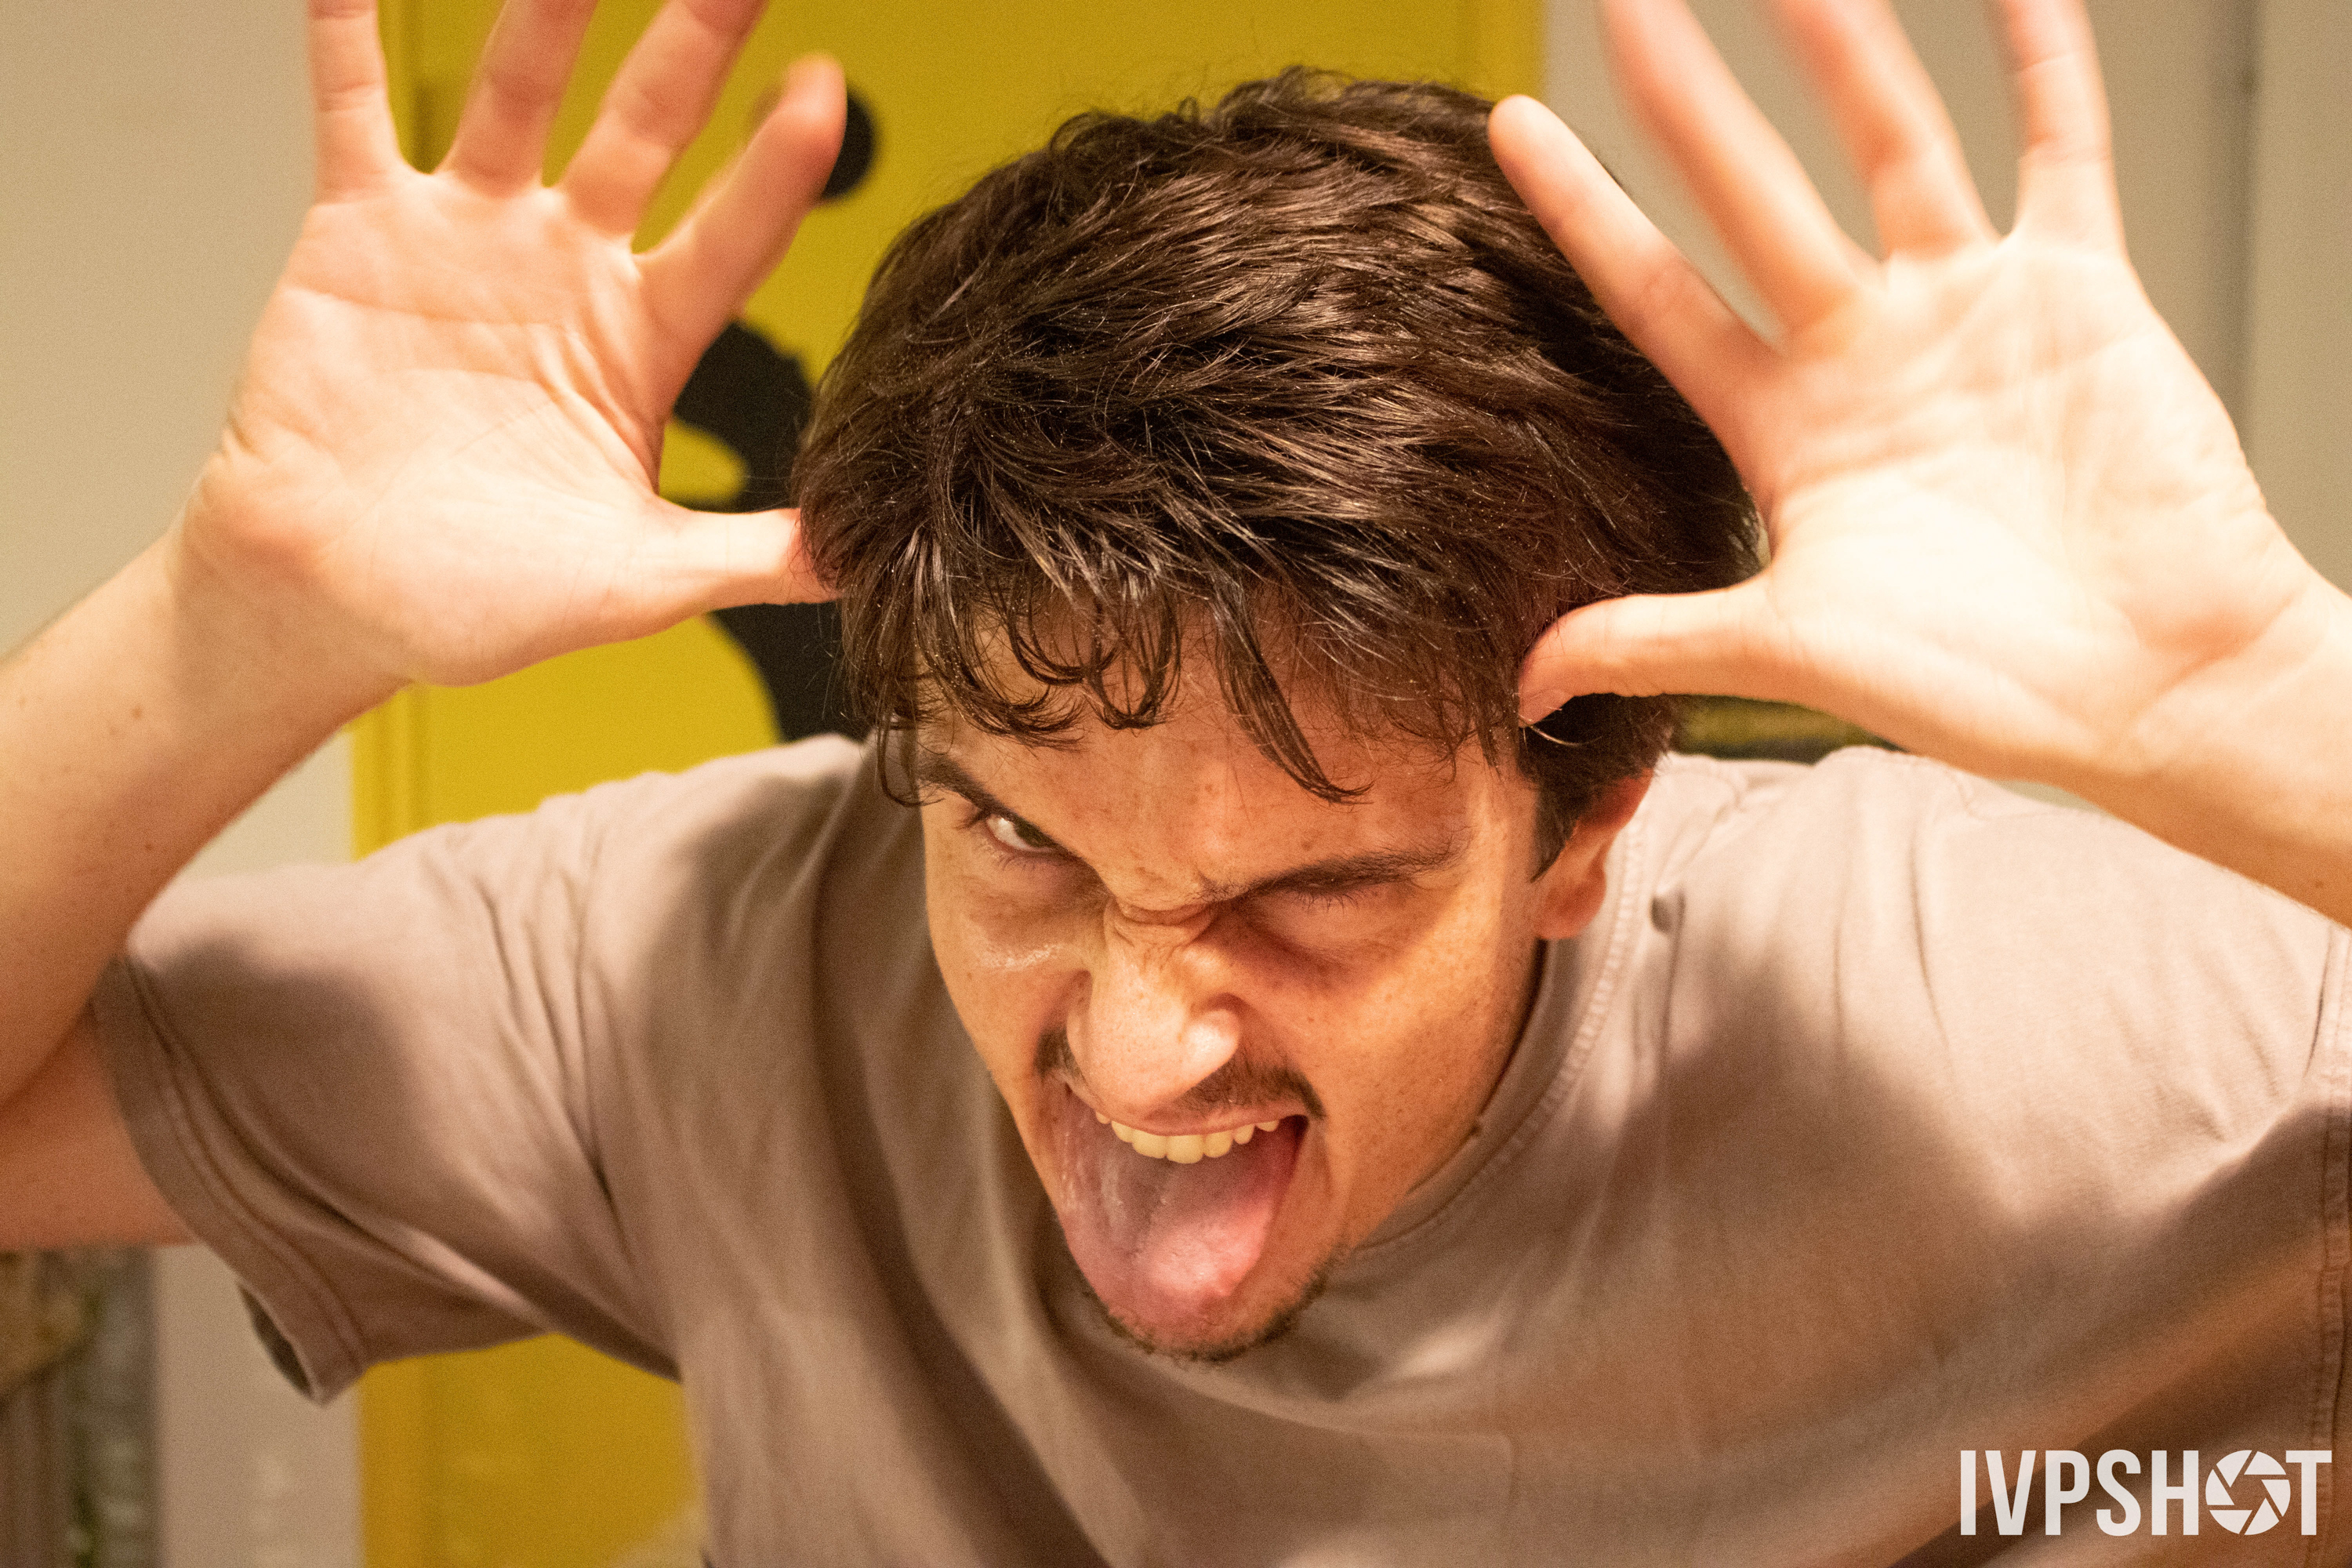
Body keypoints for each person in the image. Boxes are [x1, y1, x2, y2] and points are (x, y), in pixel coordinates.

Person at [2, 0, 2347, 1557]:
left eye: (1317, 889)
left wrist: (2260, 712)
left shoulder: (2020, 1028)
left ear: (1590, 816)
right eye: (1017, 837)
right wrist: (227, 634)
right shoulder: (710, 961)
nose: (1139, 1056)